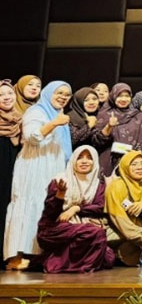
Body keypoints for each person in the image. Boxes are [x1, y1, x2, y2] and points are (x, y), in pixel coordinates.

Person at [4, 80, 72, 270]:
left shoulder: (59, 114)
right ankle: (15, 257)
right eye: (59, 93)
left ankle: (38, 255)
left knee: (45, 207)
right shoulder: (36, 111)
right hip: (34, 164)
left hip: (52, 164)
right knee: (26, 206)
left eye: (67, 95)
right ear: (49, 93)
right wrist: (54, 123)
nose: (63, 97)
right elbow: (31, 136)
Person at [37, 146, 115, 274]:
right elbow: (50, 213)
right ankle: (54, 264)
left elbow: (99, 207)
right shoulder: (61, 180)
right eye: (80, 158)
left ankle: (53, 260)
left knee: (109, 258)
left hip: (82, 226)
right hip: (56, 227)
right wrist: (60, 195)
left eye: (89, 158)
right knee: (96, 233)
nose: (84, 161)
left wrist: (76, 208)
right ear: (73, 160)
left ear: (95, 161)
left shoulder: (98, 184)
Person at [104, 150, 142, 267]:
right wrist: (140, 235)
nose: (140, 167)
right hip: (118, 230)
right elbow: (118, 218)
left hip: (140, 231)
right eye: (134, 164)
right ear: (125, 167)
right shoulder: (117, 186)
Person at [98, 83, 142, 179]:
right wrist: (109, 126)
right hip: (109, 161)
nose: (124, 99)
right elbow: (96, 141)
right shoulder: (104, 115)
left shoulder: (139, 117)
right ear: (113, 96)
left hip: (133, 162)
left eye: (127, 96)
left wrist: (137, 150)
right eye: (120, 96)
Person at [0, 81, 23, 252]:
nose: (7, 97)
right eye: (1, 95)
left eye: (10, 93)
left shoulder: (20, 120)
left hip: (13, 175)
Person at [67, 87, 113, 151]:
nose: (91, 102)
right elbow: (72, 140)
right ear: (79, 101)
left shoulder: (99, 116)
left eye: (94, 99)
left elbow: (96, 142)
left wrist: (109, 126)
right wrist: (89, 125)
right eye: (86, 100)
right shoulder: (70, 117)